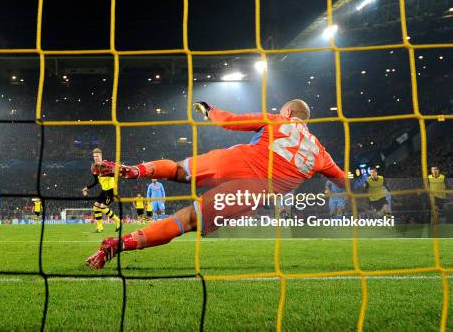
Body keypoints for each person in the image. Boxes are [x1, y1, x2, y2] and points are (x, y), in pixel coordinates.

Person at [86, 99, 346, 269]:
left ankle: (133, 170)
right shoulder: (321, 153)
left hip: (233, 161)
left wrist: (210, 111)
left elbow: (229, 121)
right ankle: (118, 245)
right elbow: (342, 180)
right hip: (249, 193)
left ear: (288, 112)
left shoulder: (278, 120)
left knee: (176, 169)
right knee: (185, 221)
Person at [81, 148, 121, 233]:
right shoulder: (94, 167)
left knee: (103, 208)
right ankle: (100, 228)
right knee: (95, 207)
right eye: (94, 156)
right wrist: (87, 188)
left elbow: (117, 172)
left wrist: (116, 168)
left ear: (101, 156)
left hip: (111, 190)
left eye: (97, 156)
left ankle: (118, 221)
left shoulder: (107, 165)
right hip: (104, 190)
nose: (96, 158)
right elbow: (96, 181)